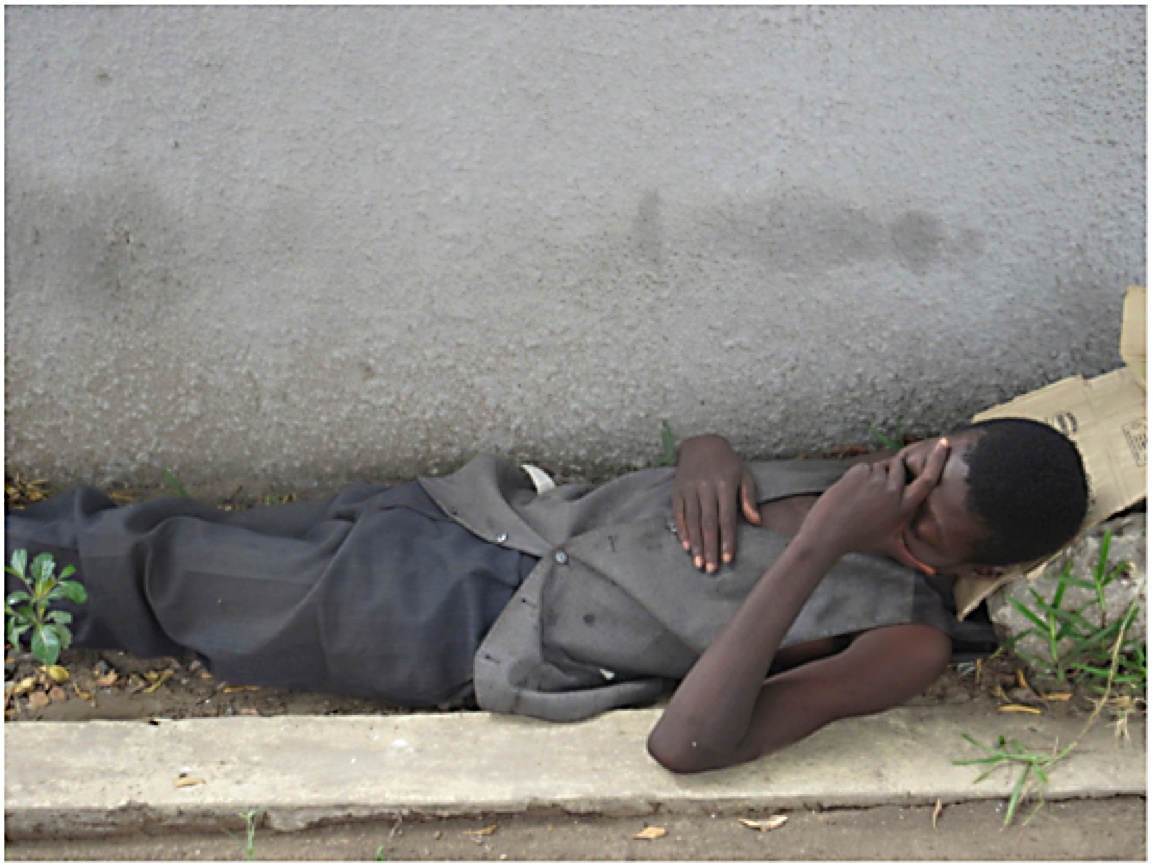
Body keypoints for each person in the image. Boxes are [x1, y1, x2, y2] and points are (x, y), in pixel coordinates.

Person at [4, 417, 1087, 773]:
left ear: (956, 551)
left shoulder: (902, 638)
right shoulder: (870, 480)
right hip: (469, 516)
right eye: (931, 446)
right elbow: (718, 465)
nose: (904, 468)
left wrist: (822, 552)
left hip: (462, 619)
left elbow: (689, 746)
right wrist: (708, 455)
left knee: (154, 575)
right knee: (165, 532)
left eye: (928, 491)